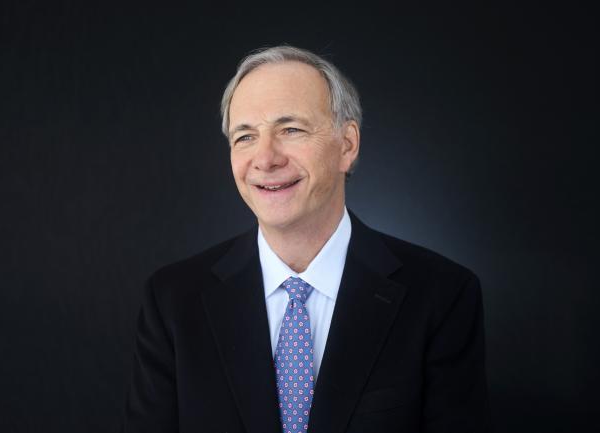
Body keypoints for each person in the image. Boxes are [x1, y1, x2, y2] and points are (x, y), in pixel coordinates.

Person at [121, 45, 491, 433]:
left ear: (347, 145)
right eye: (245, 137)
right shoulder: (173, 301)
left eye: (291, 129)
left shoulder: (442, 295)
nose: (265, 159)